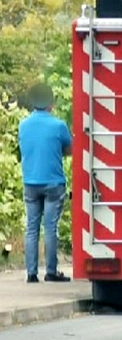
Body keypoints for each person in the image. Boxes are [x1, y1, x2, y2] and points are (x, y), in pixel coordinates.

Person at [18, 83, 72, 283]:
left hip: (30, 182)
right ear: (50, 103)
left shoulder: (23, 125)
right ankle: (51, 272)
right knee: (50, 227)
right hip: (53, 183)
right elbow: (69, 149)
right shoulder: (59, 126)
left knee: (31, 227)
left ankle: (31, 274)